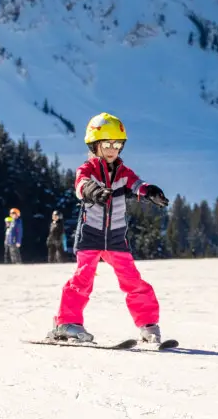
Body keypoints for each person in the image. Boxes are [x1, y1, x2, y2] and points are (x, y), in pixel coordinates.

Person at [49, 112, 168, 344]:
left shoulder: (123, 173)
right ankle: (67, 323)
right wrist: (94, 191)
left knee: (133, 280)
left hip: (116, 238)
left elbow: (137, 184)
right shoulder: (87, 169)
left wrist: (149, 191)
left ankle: (148, 324)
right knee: (82, 280)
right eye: (107, 144)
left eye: (117, 144)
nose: (113, 149)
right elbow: (81, 185)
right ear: (95, 145)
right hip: (91, 235)